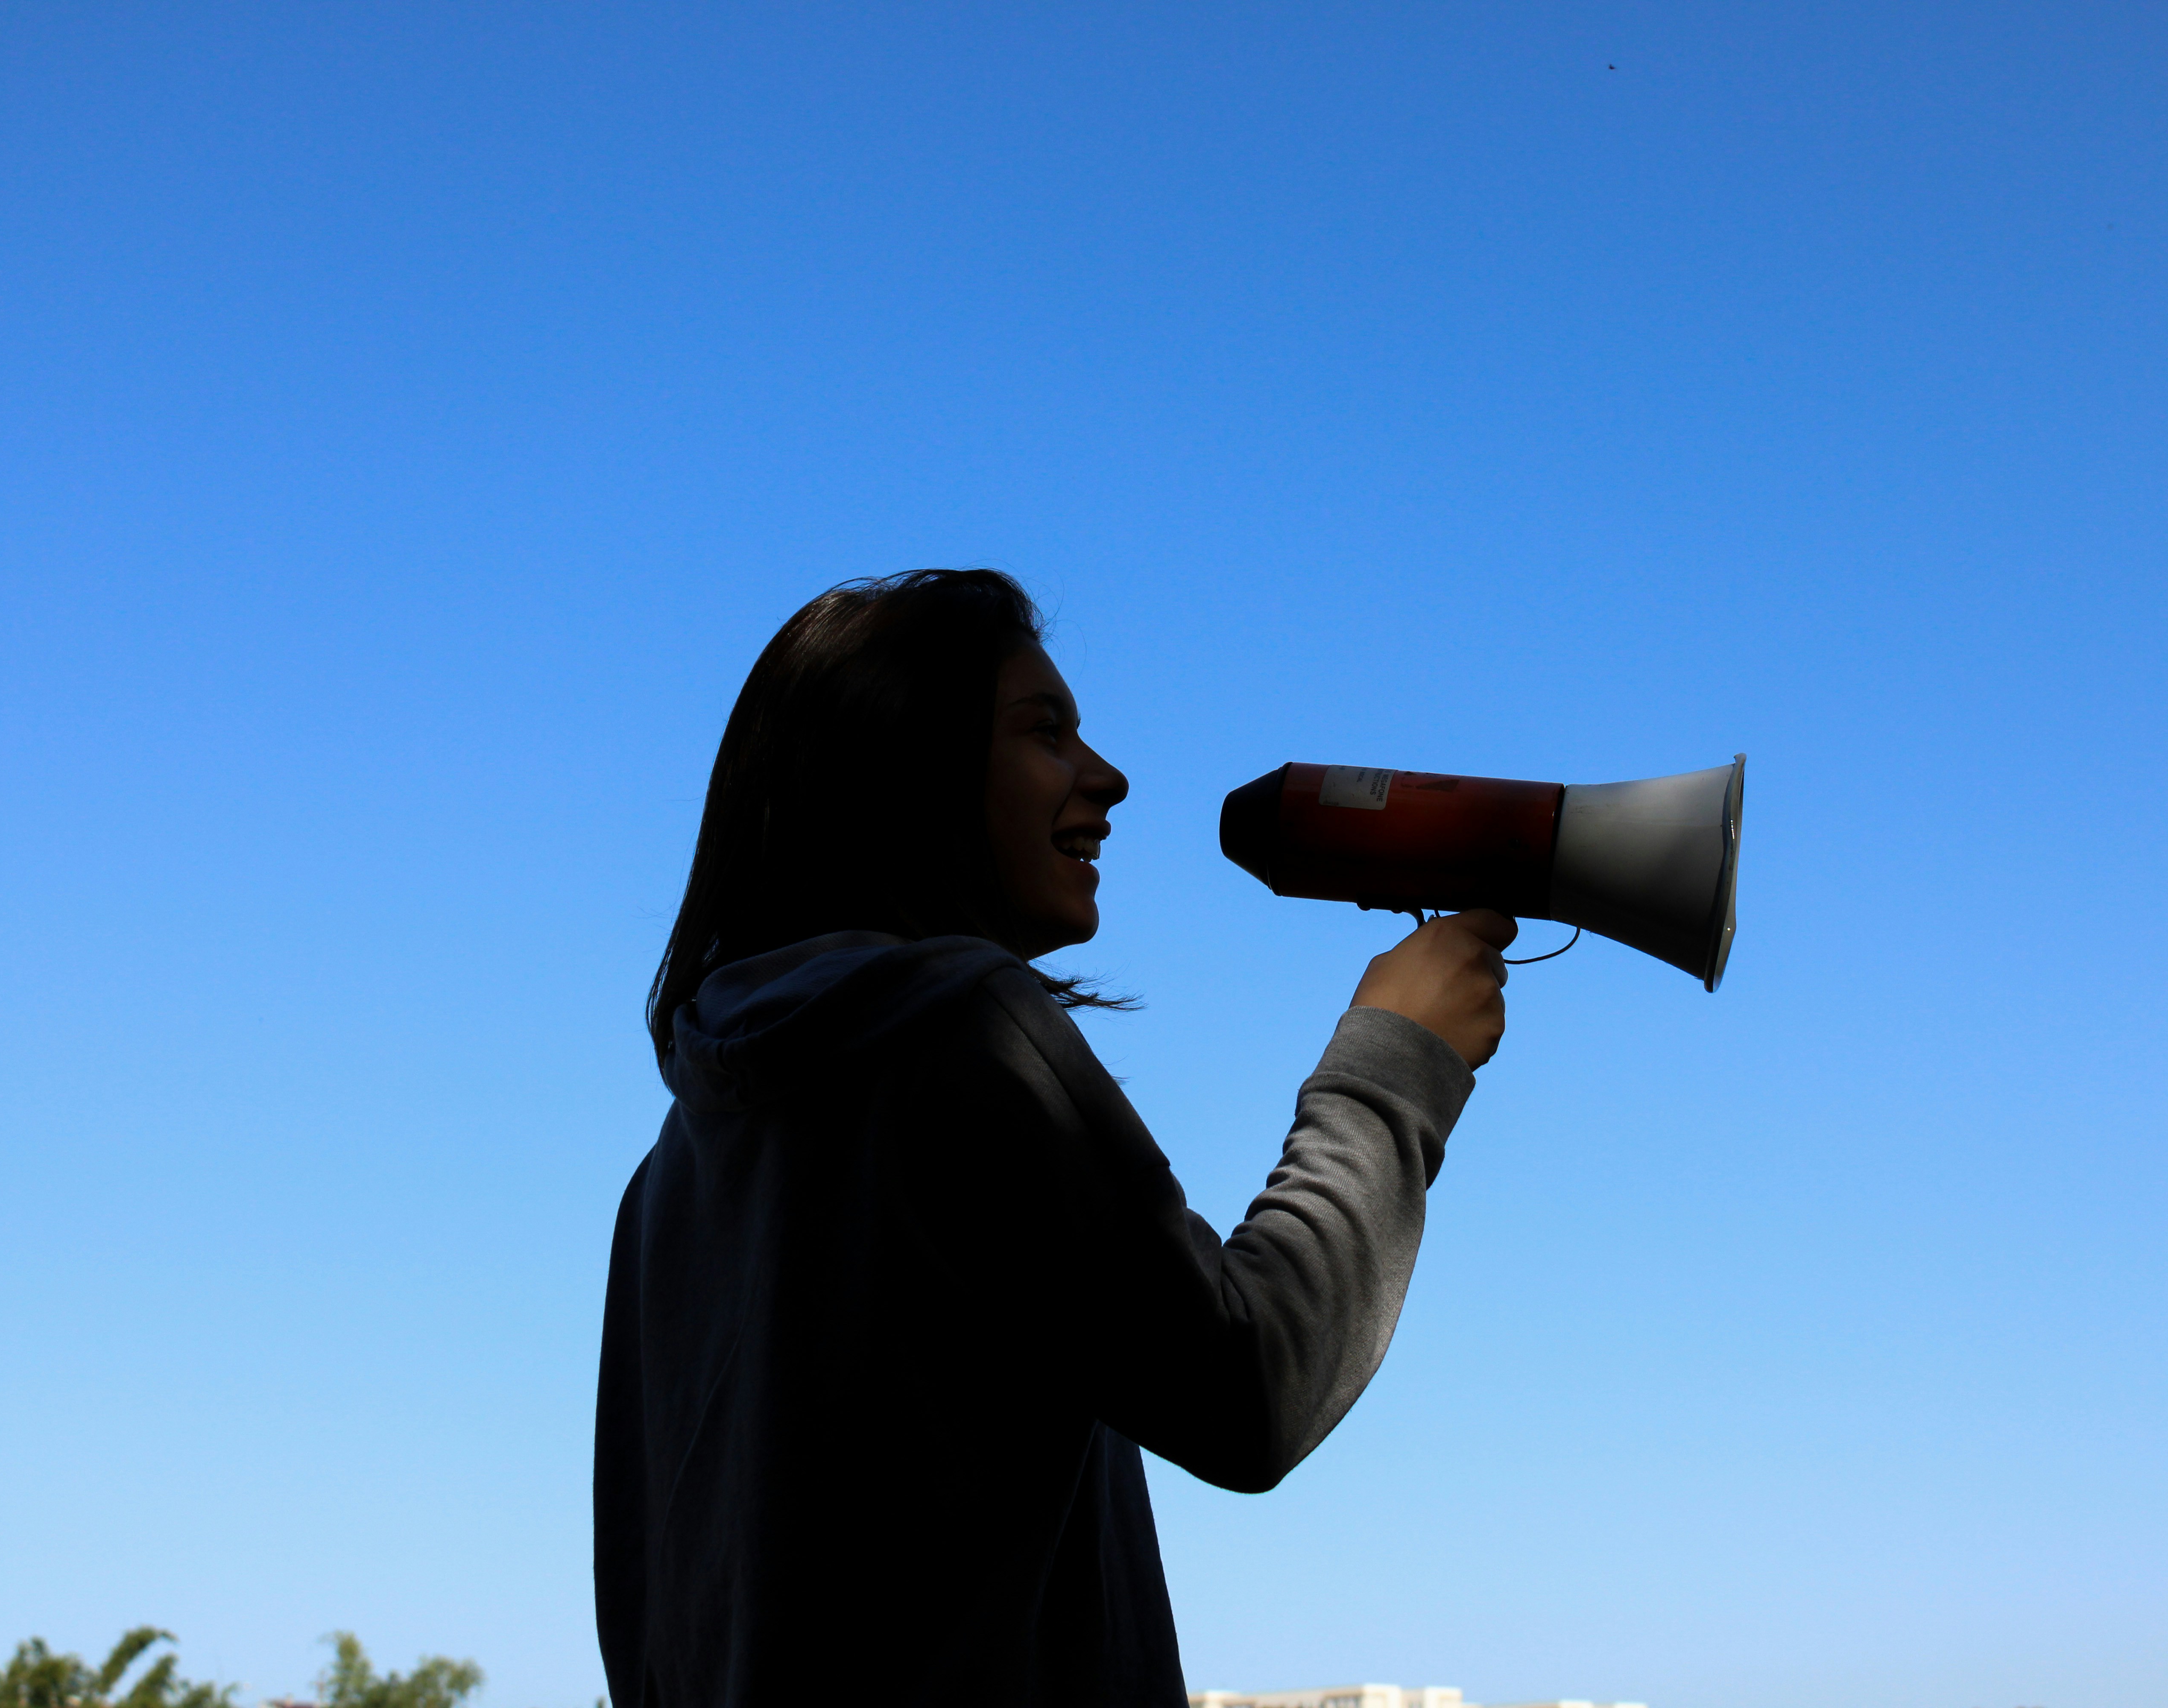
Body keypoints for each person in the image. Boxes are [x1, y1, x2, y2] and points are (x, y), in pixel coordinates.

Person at [594, 569, 1516, 1706]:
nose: (1109, 776)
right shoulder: (963, 1032)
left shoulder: (671, 1178)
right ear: (903, 766)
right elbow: (1251, 1387)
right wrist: (1396, 1061)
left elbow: (649, 1608)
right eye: (1046, 731)